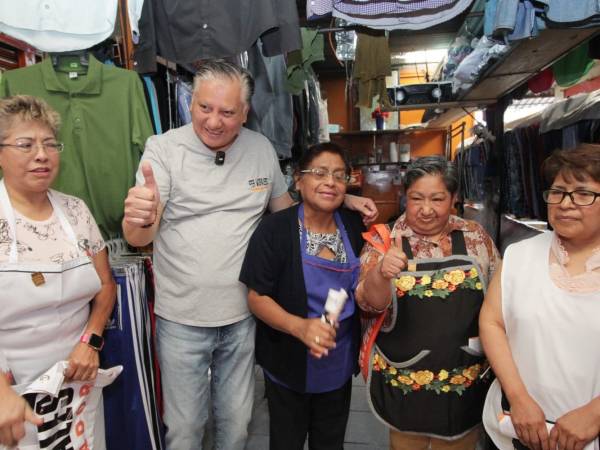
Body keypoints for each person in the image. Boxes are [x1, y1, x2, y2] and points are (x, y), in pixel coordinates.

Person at [122, 60, 377, 450]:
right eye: (205, 108)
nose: (214, 121)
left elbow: (288, 211)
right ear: (191, 103)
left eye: (227, 112)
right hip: (182, 318)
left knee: (237, 426)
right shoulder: (163, 150)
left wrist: (339, 198)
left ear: (244, 113)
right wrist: (138, 216)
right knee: (186, 429)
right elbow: (139, 233)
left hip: (243, 317)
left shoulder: (259, 149)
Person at [357, 156, 501, 450]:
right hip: (405, 379)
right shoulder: (383, 241)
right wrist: (381, 274)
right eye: (416, 198)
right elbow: (367, 304)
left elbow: (500, 303)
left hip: (465, 375)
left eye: (437, 199)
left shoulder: (476, 238)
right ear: (404, 198)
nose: (426, 210)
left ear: (454, 199)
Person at [0, 95, 116, 447]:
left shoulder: (76, 211)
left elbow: (105, 285)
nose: (42, 154)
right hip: (12, 392)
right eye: (26, 144)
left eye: (50, 143)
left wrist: (90, 341)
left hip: (77, 380)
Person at [239, 143, 365, 450]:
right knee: (287, 441)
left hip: (338, 359)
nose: (330, 182)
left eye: (339, 175)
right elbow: (257, 298)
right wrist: (301, 327)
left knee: (330, 442)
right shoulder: (275, 229)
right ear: (298, 180)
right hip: (288, 361)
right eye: (319, 173)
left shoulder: (352, 224)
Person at [480, 144, 600, 450]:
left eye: (583, 194)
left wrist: (594, 414)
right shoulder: (520, 254)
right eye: (557, 192)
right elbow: (492, 322)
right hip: (518, 427)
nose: (565, 204)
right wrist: (519, 399)